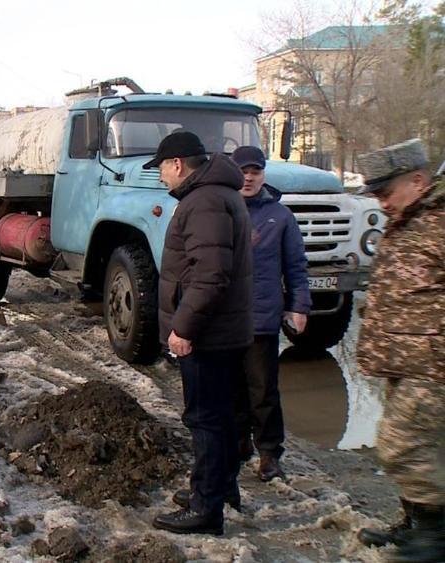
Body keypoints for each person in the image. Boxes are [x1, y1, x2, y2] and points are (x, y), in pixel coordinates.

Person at [145, 131, 254, 536]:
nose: (160, 178)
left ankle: (205, 509)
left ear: (176, 164)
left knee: (204, 419)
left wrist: (183, 327)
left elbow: (210, 275)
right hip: (224, 329)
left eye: (161, 168)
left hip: (208, 333)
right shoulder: (218, 194)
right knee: (221, 416)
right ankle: (220, 489)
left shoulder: (204, 200)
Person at [352, 138, 444, 562]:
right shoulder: (408, 221)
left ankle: (434, 537)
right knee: (422, 446)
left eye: (385, 192)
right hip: (404, 362)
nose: (380, 202)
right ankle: (413, 523)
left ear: (419, 181)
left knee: (400, 443)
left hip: (433, 364)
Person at [229, 145, 311, 482]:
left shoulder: (280, 217)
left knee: (263, 390)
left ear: (263, 175)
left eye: (256, 172)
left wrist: (299, 305)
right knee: (229, 388)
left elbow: (296, 266)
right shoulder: (220, 210)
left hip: (262, 318)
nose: (249, 178)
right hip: (223, 319)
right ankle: (237, 443)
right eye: (243, 172)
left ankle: (269, 454)